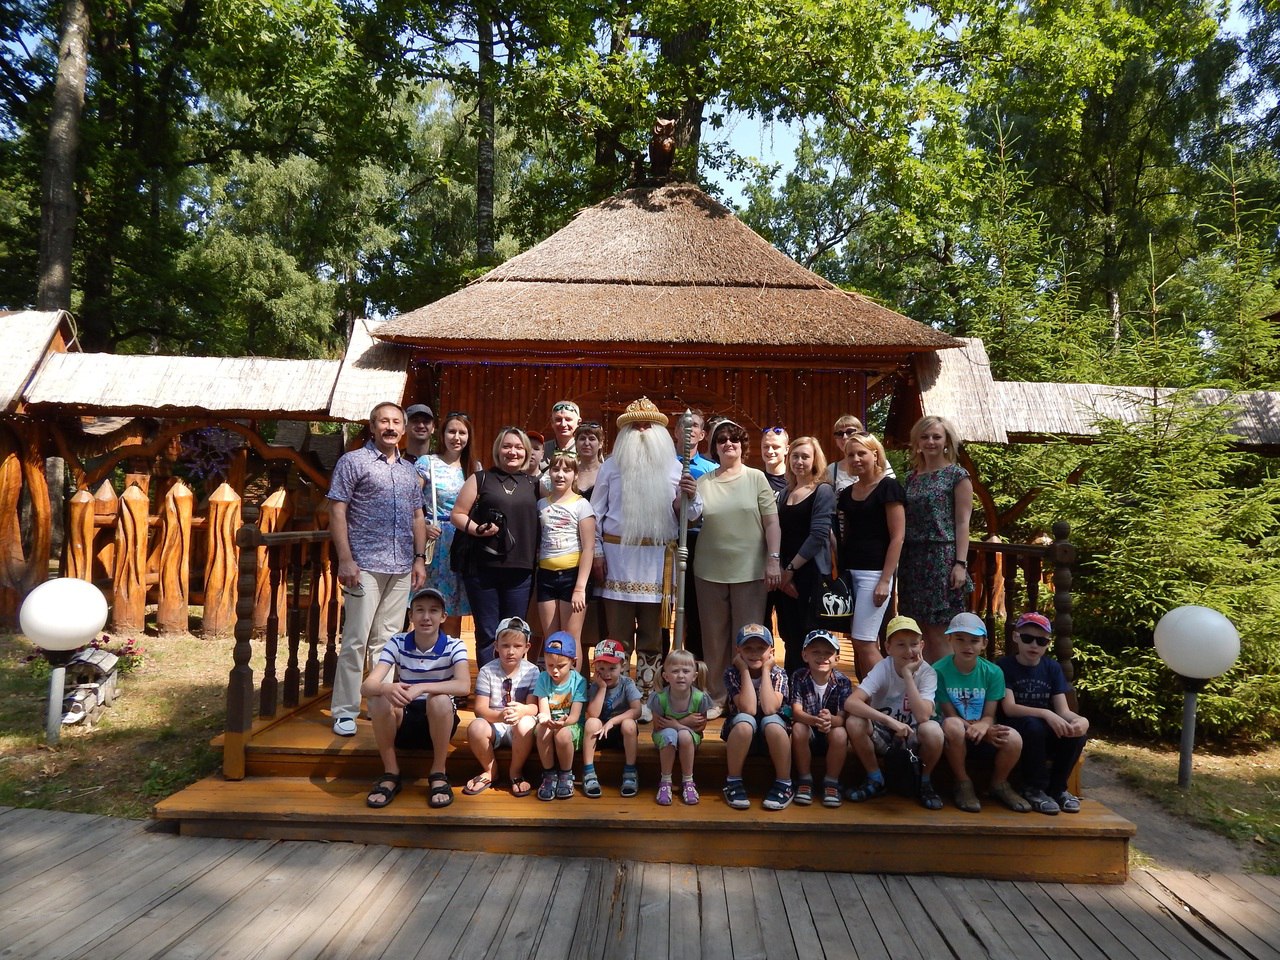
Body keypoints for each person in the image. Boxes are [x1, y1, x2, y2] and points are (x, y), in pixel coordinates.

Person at [590, 397, 701, 719]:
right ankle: (618, 699)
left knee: (653, 639)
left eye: (647, 425)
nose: (641, 430)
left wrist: (690, 496)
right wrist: (596, 551)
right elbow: (594, 514)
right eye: (634, 426)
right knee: (618, 637)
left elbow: (691, 515)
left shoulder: (676, 468)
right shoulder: (611, 466)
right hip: (618, 561)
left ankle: (648, 698)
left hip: (657, 565)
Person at [328, 402, 428, 738]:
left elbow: (418, 517)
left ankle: (379, 705)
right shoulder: (353, 462)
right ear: (372, 427)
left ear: (403, 429)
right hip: (364, 564)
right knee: (356, 639)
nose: (390, 427)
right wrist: (345, 558)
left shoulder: (408, 472)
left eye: (396, 422)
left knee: (386, 641)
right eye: (383, 421)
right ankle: (344, 710)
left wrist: (419, 559)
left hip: (401, 567)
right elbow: (337, 510)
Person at [695, 420, 781, 707]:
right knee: (714, 639)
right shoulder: (703, 482)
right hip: (709, 570)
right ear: (714, 447)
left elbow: (772, 523)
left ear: (743, 445)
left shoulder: (756, 478)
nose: (728, 443)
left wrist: (773, 559)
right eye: (721, 439)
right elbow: (689, 516)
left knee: (748, 640)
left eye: (734, 438)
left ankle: (745, 699)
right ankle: (717, 697)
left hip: (750, 571)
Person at [361, 587, 470, 810]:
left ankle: (438, 772)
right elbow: (366, 686)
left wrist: (422, 687)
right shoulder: (398, 642)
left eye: (433, 610)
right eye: (419, 610)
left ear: (443, 617)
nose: (426, 617)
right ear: (411, 615)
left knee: (439, 699)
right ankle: (391, 772)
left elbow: (464, 685)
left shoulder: (455, 645)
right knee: (378, 698)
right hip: (404, 721)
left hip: (439, 722)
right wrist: (386, 687)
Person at [451, 427, 540, 667]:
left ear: (526, 452)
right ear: (498, 450)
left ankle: (513, 682)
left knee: (515, 633)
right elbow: (457, 514)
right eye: (507, 446)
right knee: (488, 632)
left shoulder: (534, 484)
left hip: (521, 570)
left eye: (518, 447)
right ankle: (487, 683)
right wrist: (477, 529)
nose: (513, 452)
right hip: (482, 569)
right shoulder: (480, 479)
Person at [842, 615, 945, 809]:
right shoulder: (883, 668)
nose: (909, 651)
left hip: (913, 734)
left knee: (934, 731)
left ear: (922, 645)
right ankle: (875, 778)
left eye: (914, 644)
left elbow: (923, 716)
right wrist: (889, 721)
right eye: (901, 645)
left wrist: (908, 676)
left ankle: (924, 781)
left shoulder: (927, 672)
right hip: (884, 732)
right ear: (888, 648)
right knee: (854, 721)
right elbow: (851, 703)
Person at [935, 612, 1031, 813]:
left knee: (1013, 739)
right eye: (960, 639)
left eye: (974, 640)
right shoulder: (938, 671)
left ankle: (999, 783)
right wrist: (978, 729)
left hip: (984, 729)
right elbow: (949, 714)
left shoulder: (993, 672)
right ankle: (963, 782)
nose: (967, 646)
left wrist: (984, 727)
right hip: (954, 733)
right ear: (949, 640)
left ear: (984, 644)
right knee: (952, 725)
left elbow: (989, 714)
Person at [998, 612, 1089, 814]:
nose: (1034, 645)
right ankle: (1033, 788)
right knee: (1034, 725)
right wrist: (1046, 714)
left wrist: (1081, 721)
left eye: (1041, 641)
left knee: (1075, 733)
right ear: (1016, 637)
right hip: (1016, 727)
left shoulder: (1052, 668)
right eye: (1027, 638)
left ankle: (1058, 788)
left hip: (1042, 730)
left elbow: (1063, 710)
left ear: (1048, 643)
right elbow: (1009, 708)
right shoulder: (1004, 666)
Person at [899, 415, 974, 662]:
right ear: (917, 442)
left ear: (946, 441)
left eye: (936, 437)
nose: (930, 441)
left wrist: (960, 564)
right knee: (916, 630)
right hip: (912, 559)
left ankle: (944, 684)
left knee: (939, 631)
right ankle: (923, 684)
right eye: (925, 437)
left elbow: (963, 522)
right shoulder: (911, 478)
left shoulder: (957, 476)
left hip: (941, 558)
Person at [836, 432, 904, 678]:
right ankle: (869, 695)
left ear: (875, 455)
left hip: (874, 574)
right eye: (850, 455)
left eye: (861, 453)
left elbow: (898, 536)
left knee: (865, 641)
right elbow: (843, 534)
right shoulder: (847, 494)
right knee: (857, 641)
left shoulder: (889, 488)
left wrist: (885, 580)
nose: (856, 459)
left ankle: (891, 694)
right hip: (849, 573)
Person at [772, 436, 835, 675]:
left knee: (811, 638)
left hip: (810, 574)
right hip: (785, 575)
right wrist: (781, 570)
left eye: (805, 457)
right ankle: (792, 687)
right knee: (790, 635)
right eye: (795, 456)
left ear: (815, 460)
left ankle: (813, 688)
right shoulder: (785, 492)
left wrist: (791, 570)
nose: (799, 461)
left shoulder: (823, 491)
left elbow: (818, 535)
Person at [464, 616, 540, 798]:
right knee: (475, 728)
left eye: (517, 646)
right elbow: (480, 709)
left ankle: (515, 771)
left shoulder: (533, 671)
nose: (511, 651)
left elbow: (534, 707)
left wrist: (522, 711)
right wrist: (499, 717)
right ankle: (490, 770)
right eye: (505, 646)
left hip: (519, 725)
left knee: (527, 723)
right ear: (496, 646)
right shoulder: (487, 671)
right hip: (495, 724)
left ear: (527, 647)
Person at [416, 412, 476, 639]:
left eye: (462, 432)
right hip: (434, 540)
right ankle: (424, 653)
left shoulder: (474, 468)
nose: (456, 437)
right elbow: (411, 502)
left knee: (453, 608)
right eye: (452, 431)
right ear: (442, 434)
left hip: (461, 542)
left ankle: (450, 655)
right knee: (427, 606)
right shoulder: (427, 463)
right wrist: (422, 527)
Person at [721, 623, 793, 811]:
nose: (754, 653)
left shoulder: (779, 674)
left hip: (772, 740)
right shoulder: (733, 673)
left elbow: (769, 708)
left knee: (772, 722)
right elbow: (749, 708)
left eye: (761, 648)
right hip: (743, 738)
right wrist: (744, 670)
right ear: (738, 651)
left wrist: (766, 671)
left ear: (771, 651)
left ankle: (784, 782)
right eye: (748, 648)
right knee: (745, 721)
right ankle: (733, 781)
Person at [536, 451, 596, 665]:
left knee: (570, 638)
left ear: (575, 475)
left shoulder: (582, 504)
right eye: (556, 469)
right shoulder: (541, 505)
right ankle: (553, 682)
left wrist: (580, 587)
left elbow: (589, 547)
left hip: (572, 577)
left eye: (567, 470)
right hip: (546, 576)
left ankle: (573, 684)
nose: (560, 475)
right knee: (551, 638)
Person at [789, 629, 853, 808]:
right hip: (808, 730)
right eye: (816, 651)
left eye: (828, 652)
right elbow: (796, 712)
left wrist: (830, 720)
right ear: (805, 655)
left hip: (830, 733)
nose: (822, 656)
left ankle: (831, 781)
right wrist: (816, 721)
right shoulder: (799, 677)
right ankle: (805, 779)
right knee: (798, 728)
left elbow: (842, 718)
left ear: (837, 658)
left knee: (840, 733)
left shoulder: (843, 681)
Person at [672, 409, 714, 661]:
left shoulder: (711, 470)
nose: (689, 430)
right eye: (684, 426)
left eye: (695, 426)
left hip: (698, 541)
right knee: (665, 606)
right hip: (667, 541)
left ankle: (694, 664)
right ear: (676, 431)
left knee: (695, 607)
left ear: (702, 434)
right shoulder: (663, 465)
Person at [581, 639, 642, 799]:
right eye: (601, 669)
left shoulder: (627, 684)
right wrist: (602, 688)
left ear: (622, 665)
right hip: (600, 734)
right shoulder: (595, 686)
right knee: (591, 723)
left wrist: (613, 721)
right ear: (595, 668)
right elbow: (593, 714)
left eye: (612, 668)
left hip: (621, 734)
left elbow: (637, 710)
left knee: (629, 724)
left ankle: (630, 770)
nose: (607, 674)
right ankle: (588, 771)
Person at [649, 648, 709, 805]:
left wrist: (677, 724)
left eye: (686, 671)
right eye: (675, 671)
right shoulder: (660, 698)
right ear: (666, 676)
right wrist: (683, 723)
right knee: (669, 734)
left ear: (694, 676)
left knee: (683, 735)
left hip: (689, 739)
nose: (681, 675)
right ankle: (665, 781)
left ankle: (688, 781)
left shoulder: (700, 698)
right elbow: (658, 726)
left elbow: (700, 727)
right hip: (664, 737)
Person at [534, 631, 588, 801]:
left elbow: (575, 716)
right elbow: (543, 709)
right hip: (550, 722)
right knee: (542, 730)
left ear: (573, 662)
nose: (555, 671)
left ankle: (566, 773)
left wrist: (564, 723)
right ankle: (549, 773)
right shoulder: (543, 678)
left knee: (562, 734)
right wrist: (545, 719)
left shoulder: (579, 681)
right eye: (550, 665)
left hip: (571, 725)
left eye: (561, 666)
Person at [572, 421, 606, 499]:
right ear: (576, 443)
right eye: (582, 439)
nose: (586, 443)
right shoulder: (570, 471)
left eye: (592, 439)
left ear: (600, 443)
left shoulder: (606, 472)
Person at [760, 426, 789, 496]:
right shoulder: (757, 480)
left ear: (786, 450)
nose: (770, 451)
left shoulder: (794, 481)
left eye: (775, 447)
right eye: (766, 447)